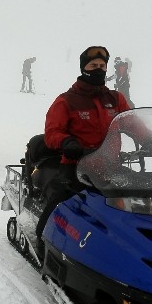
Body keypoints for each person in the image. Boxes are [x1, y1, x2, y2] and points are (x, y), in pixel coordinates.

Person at [34, 47, 142, 252]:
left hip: (110, 166)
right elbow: (52, 132)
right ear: (84, 68)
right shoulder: (67, 100)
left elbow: (133, 124)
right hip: (76, 166)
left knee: (139, 201)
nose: (98, 70)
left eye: (102, 66)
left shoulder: (115, 99)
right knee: (60, 202)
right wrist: (67, 142)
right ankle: (41, 240)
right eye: (93, 66)